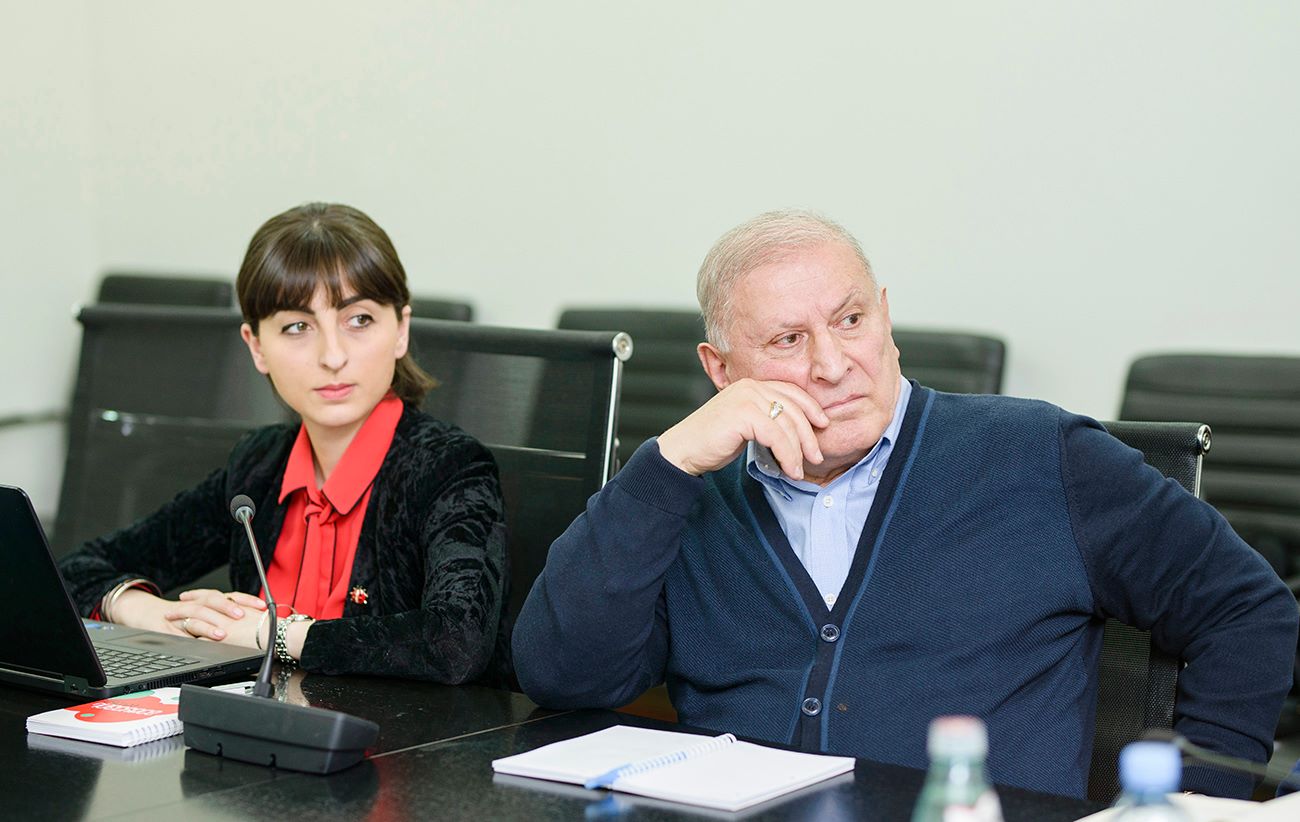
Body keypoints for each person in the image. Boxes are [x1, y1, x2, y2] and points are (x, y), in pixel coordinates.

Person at [512, 209, 1298, 799]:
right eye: (788, 341)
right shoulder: (685, 499)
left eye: (851, 320)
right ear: (721, 371)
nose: (832, 364)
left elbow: (1248, 610)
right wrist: (669, 463)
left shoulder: (1039, 454)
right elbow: (565, 676)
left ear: (885, 318)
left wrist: (1193, 803)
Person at [60, 202, 509, 684]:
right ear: (257, 346)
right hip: (254, 723)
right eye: (297, 327)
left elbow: (456, 642)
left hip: (390, 730)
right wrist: (151, 612)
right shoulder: (259, 467)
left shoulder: (448, 467)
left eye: (359, 320)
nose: (332, 356)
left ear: (400, 330)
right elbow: (72, 570)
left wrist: (270, 633)